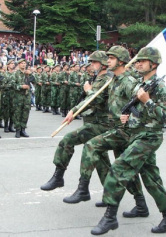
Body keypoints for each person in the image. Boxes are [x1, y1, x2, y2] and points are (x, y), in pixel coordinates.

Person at [89, 47, 166, 235]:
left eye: (143, 61)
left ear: (153, 64)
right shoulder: (139, 83)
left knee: (119, 168)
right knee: (151, 179)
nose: (138, 64)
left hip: (150, 136)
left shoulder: (160, 87)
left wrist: (148, 101)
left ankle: (110, 217)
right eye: (137, 61)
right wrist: (127, 116)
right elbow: (138, 112)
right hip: (137, 133)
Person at [63, 46, 146, 216]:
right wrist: (75, 110)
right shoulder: (113, 80)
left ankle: (84, 188)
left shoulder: (129, 81)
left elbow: (142, 104)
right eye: (107, 58)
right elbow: (96, 98)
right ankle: (141, 204)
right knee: (126, 169)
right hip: (116, 129)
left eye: (112, 58)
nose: (107, 61)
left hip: (126, 131)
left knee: (93, 146)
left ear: (121, 61)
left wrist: (132, 119)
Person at [40, 51, 112, 193]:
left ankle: (59, 177)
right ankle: (112, 195)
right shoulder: (97, 78)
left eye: (94, 62)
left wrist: (88, 90)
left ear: (103, 64)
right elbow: (86, 101)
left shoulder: (107, 80)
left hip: (102, 123)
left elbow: (97, 100)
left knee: (68, 139)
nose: (91, 65)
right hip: (93, 121)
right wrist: (73, 110)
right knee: (101, 161)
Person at [12, 59, 33, 138]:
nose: (24, 65)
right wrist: (21, 86)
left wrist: (30, 74)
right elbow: (12, 84)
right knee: (18, 113)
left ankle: (23, 129)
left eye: (25, 63)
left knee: (25, 113)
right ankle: (17, 130)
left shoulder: (28, 73)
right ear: (19, 65)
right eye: (22, 63)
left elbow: (35, 81)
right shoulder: (16, 74)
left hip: (27, 96)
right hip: (18, 96)